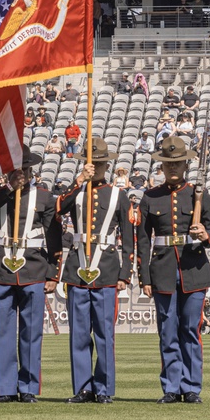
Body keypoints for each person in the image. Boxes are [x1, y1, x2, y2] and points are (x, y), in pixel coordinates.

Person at [0, 146, 62, 404]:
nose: (20, 173)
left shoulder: (44, 197)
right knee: (3, 332)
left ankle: (29, 389)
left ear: (31, 169)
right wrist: (9, 188)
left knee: (31, 333)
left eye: (24, 169)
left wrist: (53, 274)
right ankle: (7, 389)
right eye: (15, 169)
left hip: (34, 268)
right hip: (0, 268)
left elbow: (54, 237)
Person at [136, 136, 210, 404]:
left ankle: (191, 386)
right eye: (168, 164)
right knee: (167, 331)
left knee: (190, 330)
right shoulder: (150, 197)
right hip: (161, 270)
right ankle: (171, 387)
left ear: (185, 164)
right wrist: (144, 277)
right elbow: (143, 240)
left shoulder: (199, 194)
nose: (173, 168)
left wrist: (205, 234)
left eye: (177, 164)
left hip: (193, 269)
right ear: (161, 167)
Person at [55, 138, 133, 404]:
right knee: (78, 333)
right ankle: (83, 387)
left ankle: (104, 389)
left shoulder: (118, 195)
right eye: (92, 163)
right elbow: (58, 209)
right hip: (77, 267)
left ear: (106, 165)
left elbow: (129, 236)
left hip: (107, 268)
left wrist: (126, 273)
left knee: (104, 334)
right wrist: (79, 181)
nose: (96, 168)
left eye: (100, 164)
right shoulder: (77, 191)